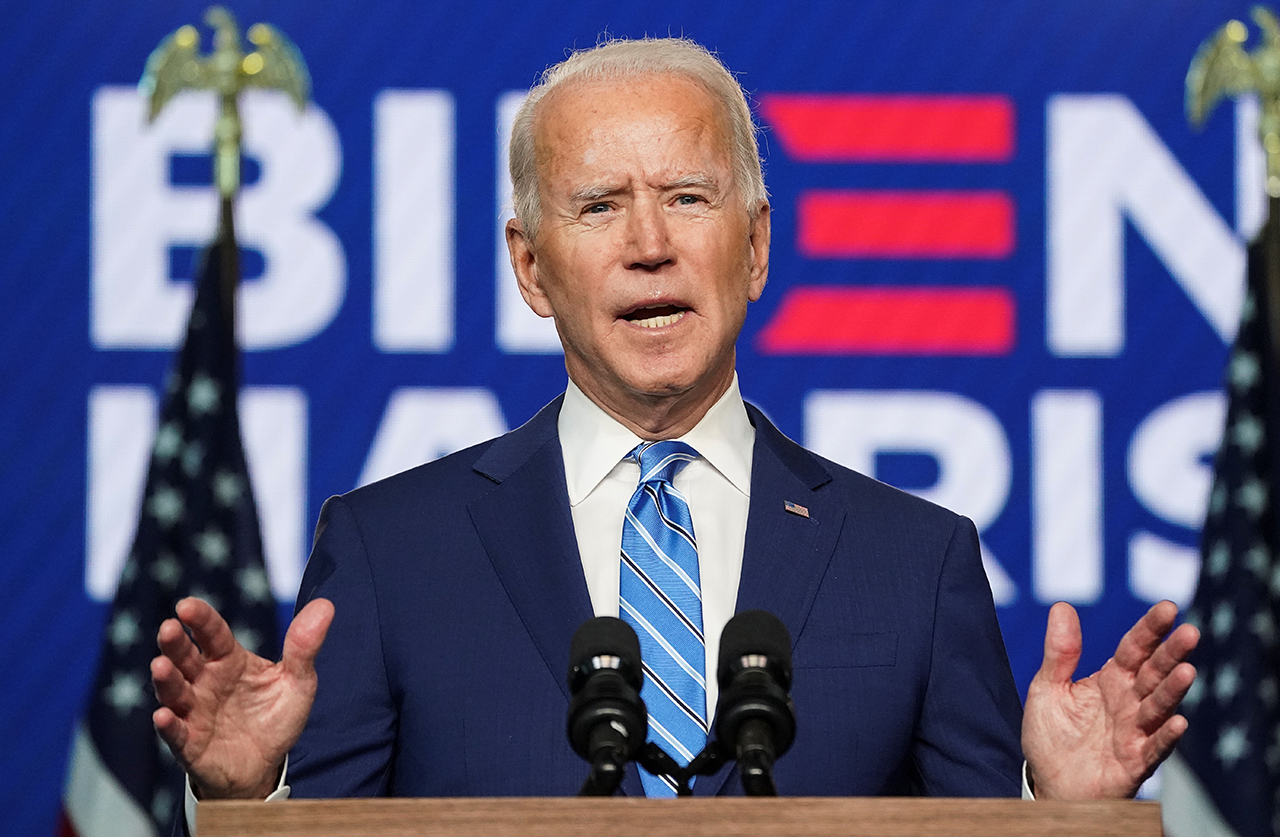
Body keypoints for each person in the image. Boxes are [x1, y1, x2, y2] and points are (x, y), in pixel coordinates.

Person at [151, 36, 1199, 809]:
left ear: (753, 249)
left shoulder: (912, 561)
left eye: (688, 197)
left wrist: (1060, 813)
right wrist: (253, 799)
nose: (648, 243)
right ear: (530, 266)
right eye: (599, 205)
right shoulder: (391, 551)